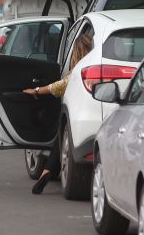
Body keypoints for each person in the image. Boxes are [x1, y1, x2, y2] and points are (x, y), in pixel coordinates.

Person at [24, 34, 94, 195]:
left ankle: (47, 170)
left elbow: (58, 86)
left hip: (79, 113)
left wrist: (36, 91)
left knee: (62, 134)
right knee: (62, 135)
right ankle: (48, 170)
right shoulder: (96, 65)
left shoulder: (79, 70)